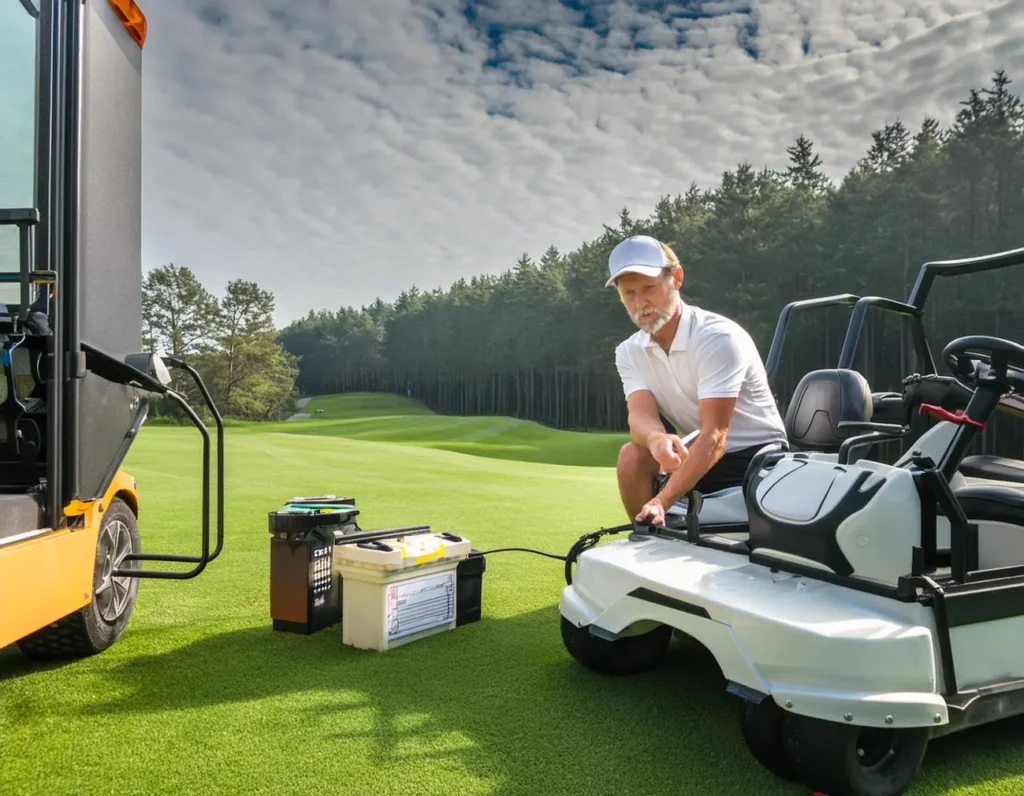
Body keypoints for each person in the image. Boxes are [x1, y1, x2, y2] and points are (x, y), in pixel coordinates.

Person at [607, 235, 787, 526]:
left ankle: (654, 523)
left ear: (676, 278)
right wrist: (656, 438)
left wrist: (661, 501)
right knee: (632, 456)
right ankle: (647, 539)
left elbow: (716, 435)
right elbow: (639, 415)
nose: (641, 303)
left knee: (668, 504)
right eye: (629, 293)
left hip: (759, 459)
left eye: (650, 288)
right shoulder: (628, 351)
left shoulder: (718, 337)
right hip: (698, 453)